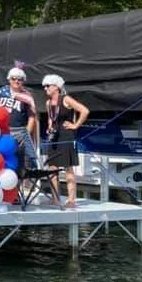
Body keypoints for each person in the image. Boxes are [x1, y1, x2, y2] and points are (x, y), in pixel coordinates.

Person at [41, 74, 90, 209]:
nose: (45, 89)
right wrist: (49, 127)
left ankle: (71, 200)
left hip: (66, 136)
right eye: (44, 86)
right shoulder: (48, 103)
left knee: (68, 168)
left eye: (47, 86)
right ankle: (55, 198)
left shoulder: (66, 99)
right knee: (52, 168)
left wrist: (75, 125)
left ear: (56, 87)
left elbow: (85, 111)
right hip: (54, 137)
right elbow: (51, 118)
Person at [0, 66, 39, 179]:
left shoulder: (27, 95)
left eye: (19, 79)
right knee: (3, 157)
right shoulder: (0, 92)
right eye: (14, 78)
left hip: (20, 131)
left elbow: (32, 115)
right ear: (9, 79)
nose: (16, 81)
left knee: (22, 161)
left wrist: (27, 131)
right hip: (3, 131)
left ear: (23, 81)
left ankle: (19, 185)